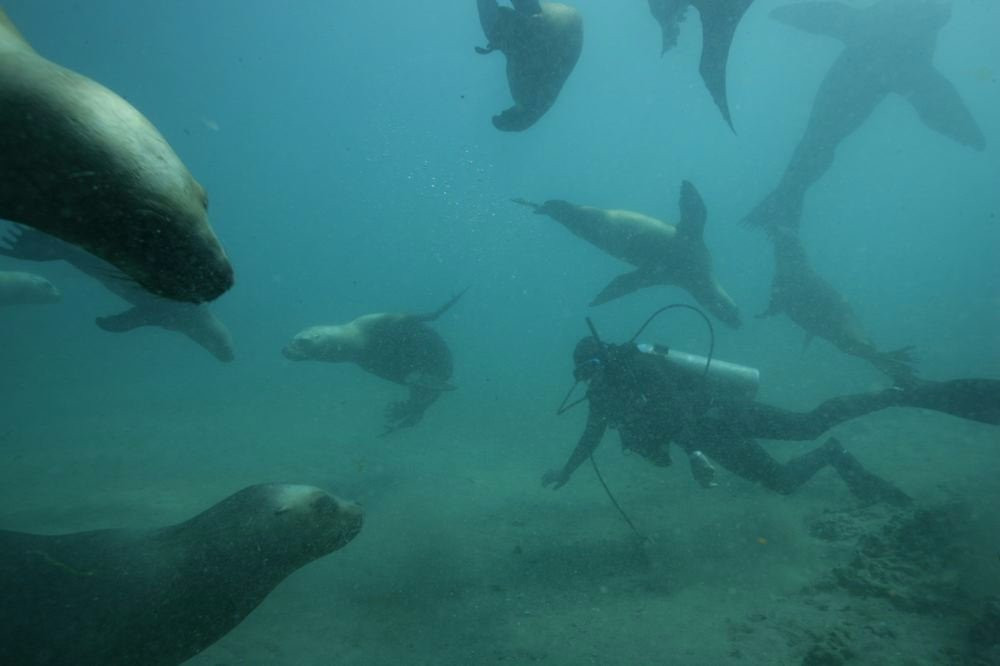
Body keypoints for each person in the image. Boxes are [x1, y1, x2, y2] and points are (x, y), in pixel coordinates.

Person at [541, 336, 1000, 504]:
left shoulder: (640, 367)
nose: (590, 378)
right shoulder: (603, 395)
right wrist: (567, 470)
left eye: (593, 367)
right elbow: (590, 435)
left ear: (607, 357)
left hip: (722, 413)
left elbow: (674, 409)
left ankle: (894, 396)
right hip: (710, 440)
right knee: (781, 483)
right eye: (583, 374)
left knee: (806, 424)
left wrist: (694, 451)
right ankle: (835, 456)